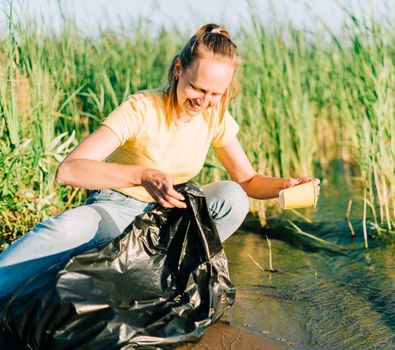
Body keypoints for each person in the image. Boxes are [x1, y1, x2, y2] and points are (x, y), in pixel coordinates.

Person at [0, 23, 320, 300]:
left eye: (215, 94)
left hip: (168, 219)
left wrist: (287, 186)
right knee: (65, 228)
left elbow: (247, 180)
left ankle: (174, 277)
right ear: (179, 68)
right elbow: (69, 170)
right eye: (197, 88)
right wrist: (141, 175)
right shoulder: (142, 108)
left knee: (233, 197)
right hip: (116, 211)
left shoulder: (215, 115)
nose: (204, 101)